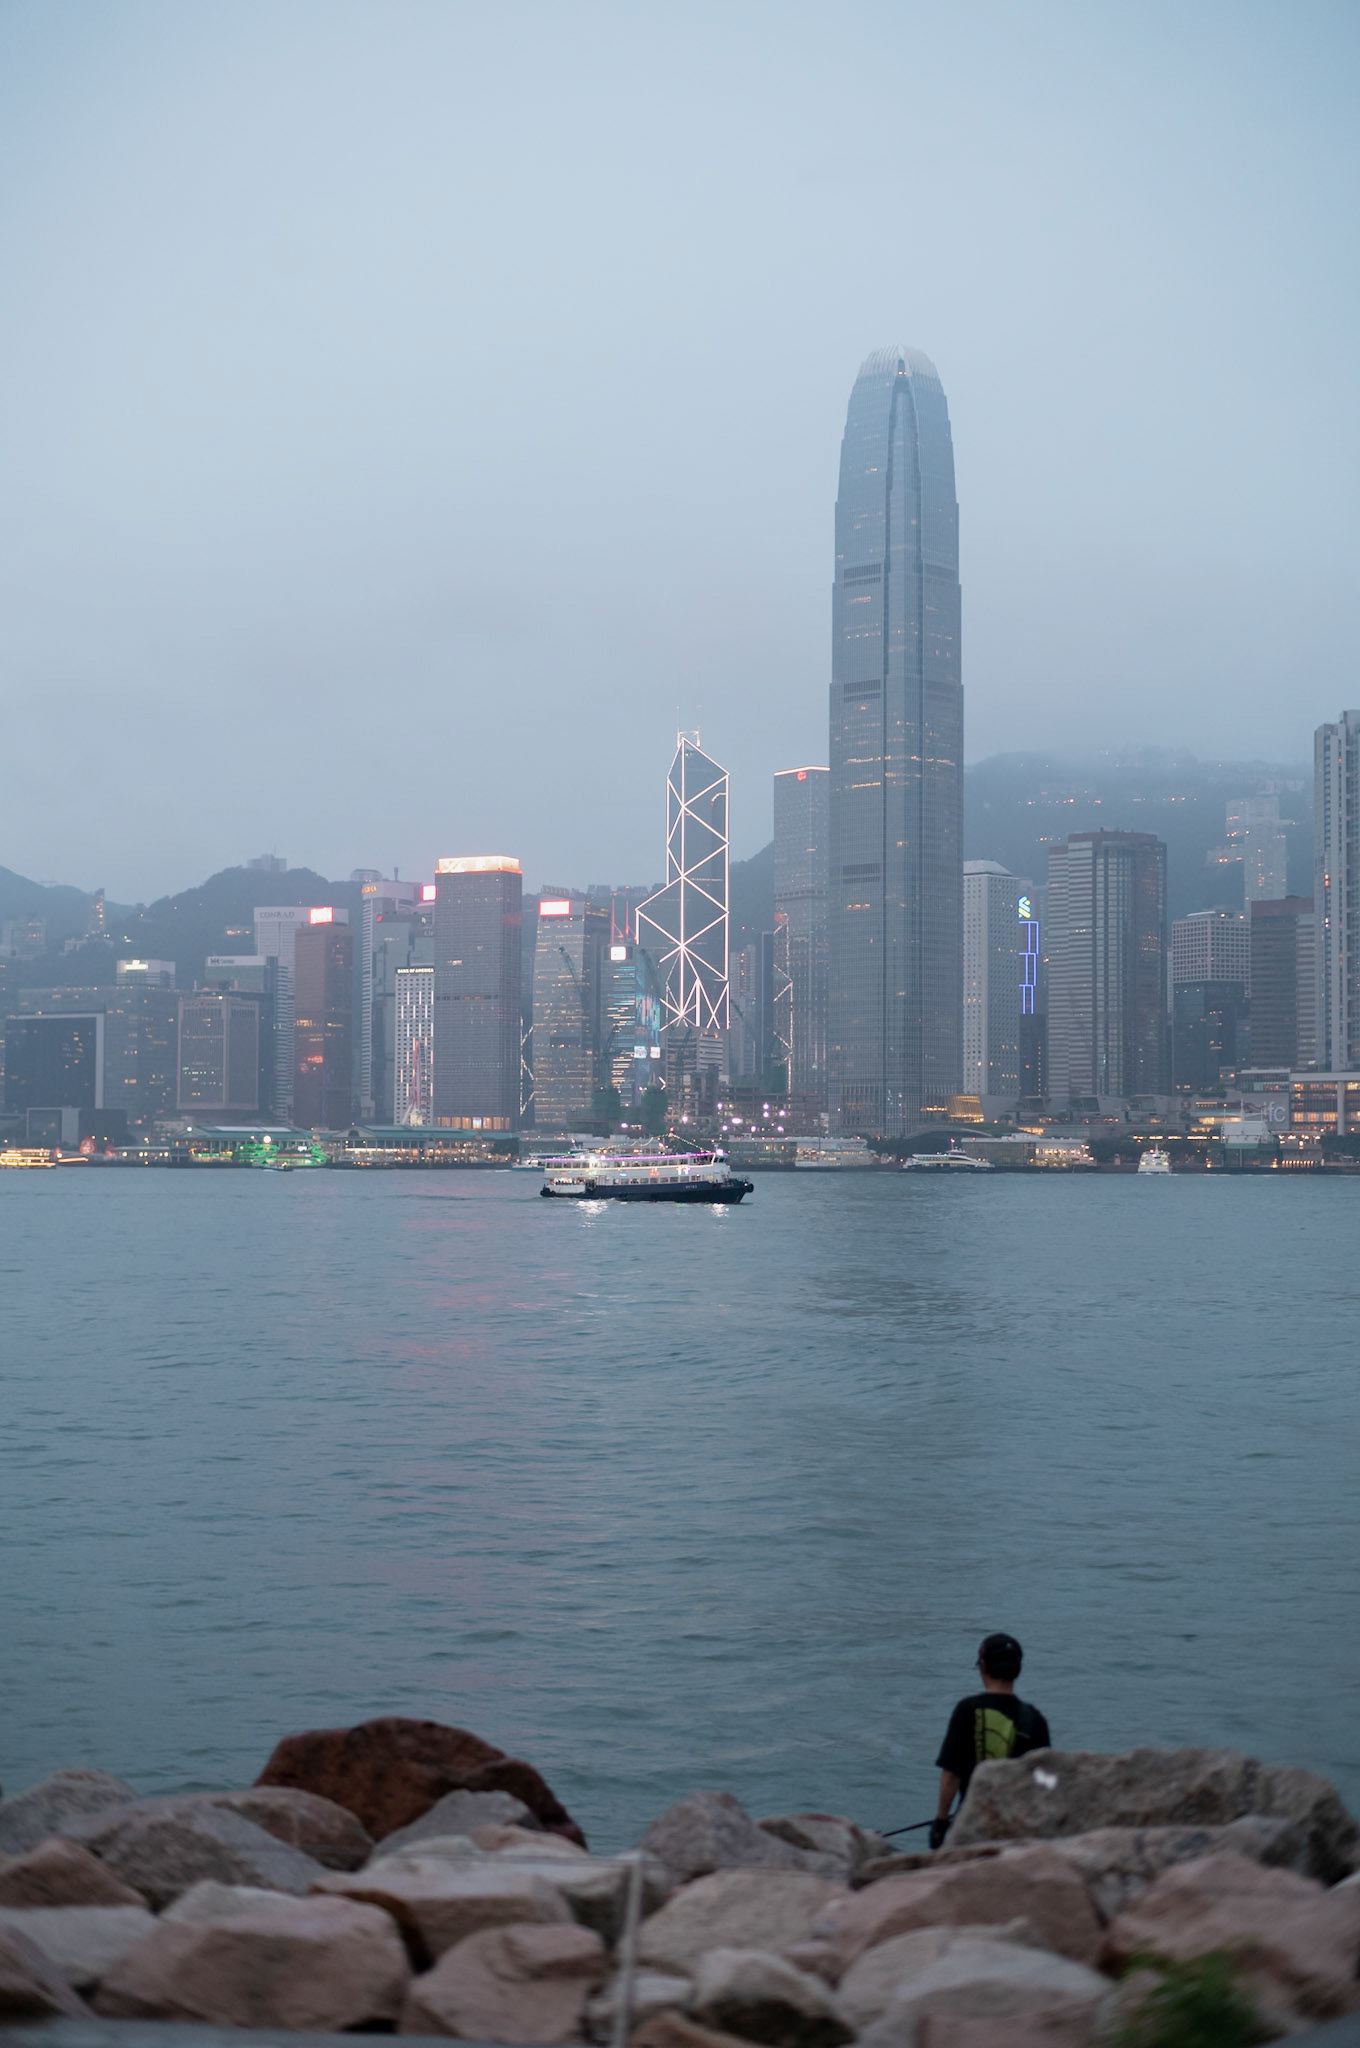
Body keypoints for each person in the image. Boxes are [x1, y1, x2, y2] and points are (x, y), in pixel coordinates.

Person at [929, 1632, 1051, 1849]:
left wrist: (940, 1822)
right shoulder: (1035, 1719)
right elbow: (1044, 1783)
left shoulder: (967, 1710)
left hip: (972, 1827)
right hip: (1018, 1832)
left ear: (983, 1666)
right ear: (1018, 1669)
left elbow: (951, 1775)